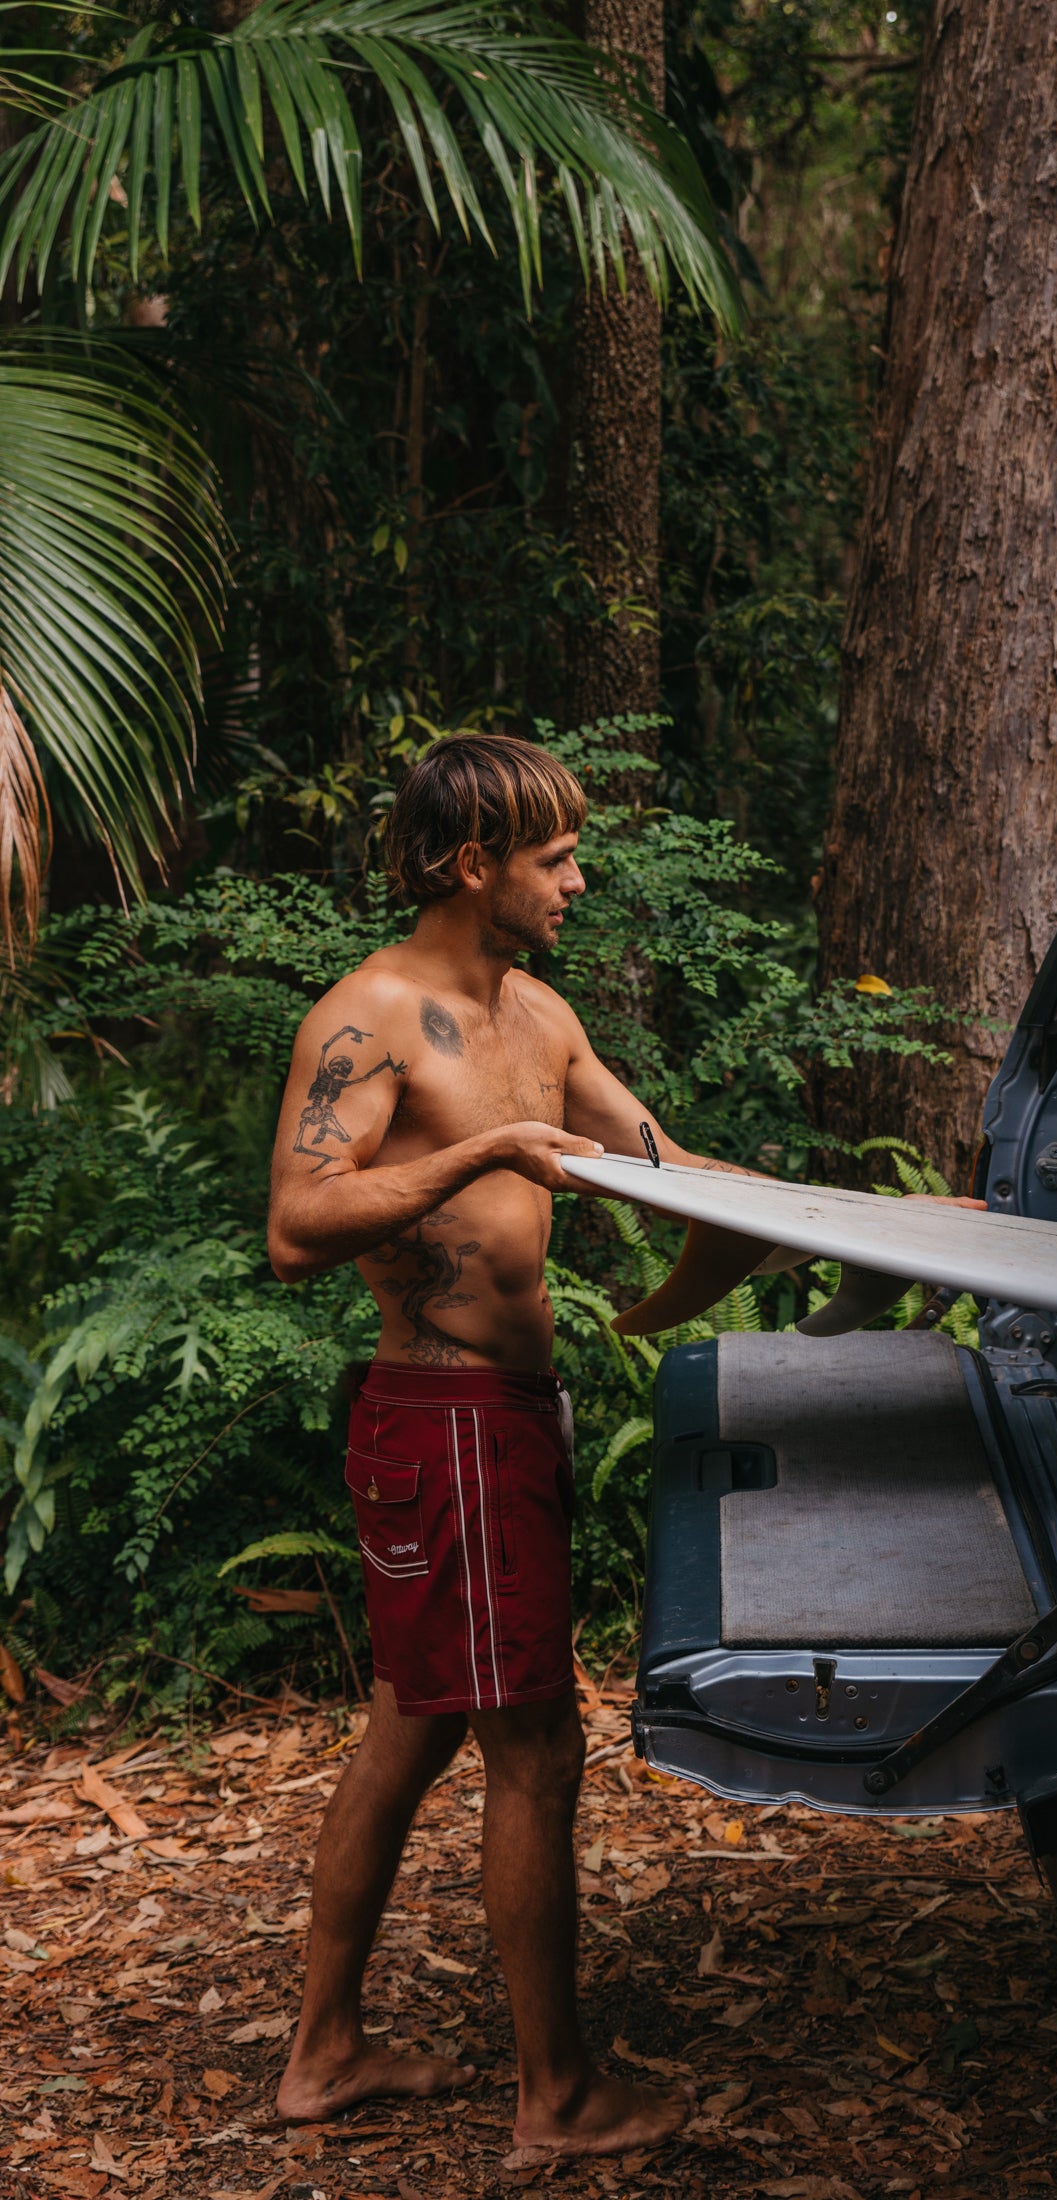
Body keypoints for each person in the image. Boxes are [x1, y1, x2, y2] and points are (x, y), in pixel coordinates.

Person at [266, 732, 731, 2158]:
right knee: (535, 1748)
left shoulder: (541, 1016)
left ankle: (324, 2053)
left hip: (506, 1424)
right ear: (474, 866)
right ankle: (557, 2096)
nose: (579, 880)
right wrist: (478, 1152)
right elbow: (295, 1223)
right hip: (444, 1415)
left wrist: (865, 1220)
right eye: (556, 858)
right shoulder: (375, 1017)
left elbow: (667, 1169)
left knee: (412, 1727)